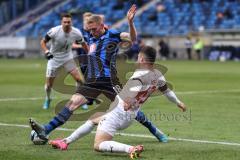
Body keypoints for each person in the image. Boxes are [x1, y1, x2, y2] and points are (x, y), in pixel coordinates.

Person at [30, 5, 168, 143]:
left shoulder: (113, 34)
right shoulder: (90, 38)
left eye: (94, 29)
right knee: (72, 104)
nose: (92, 32)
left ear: (102, 25)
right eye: (90, 30)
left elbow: (132, 38)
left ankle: (155, 131)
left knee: (130, 106)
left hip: (110, 81)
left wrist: (130, 22)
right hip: (92, 82)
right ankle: (46, 130)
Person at [49, 46, 187, 158]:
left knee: (99, 145)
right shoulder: (158, 74)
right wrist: (178, 102)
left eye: (138, 56)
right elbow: (167, 92)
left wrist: (129, 101)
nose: (137, 59)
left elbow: (133, 92)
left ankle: (131, 149)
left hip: (118, 113)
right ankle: (65, 142)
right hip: (130, 115)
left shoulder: (138, 76)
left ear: (142, 58)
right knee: (93, 118)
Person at [41, 13, 88, 109]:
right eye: (65, 22)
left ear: (71, 22)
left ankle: (78, 100)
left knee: (79, 80)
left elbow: (84, 44)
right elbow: (43, 42)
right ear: (61, 22)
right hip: (54, 59)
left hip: (68, 58)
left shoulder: (76, 32)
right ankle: (48, 98)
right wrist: (46, 51)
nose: (67, 24)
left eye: (68, 22)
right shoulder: (54, 31)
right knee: (49, 85)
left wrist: (90, 53)